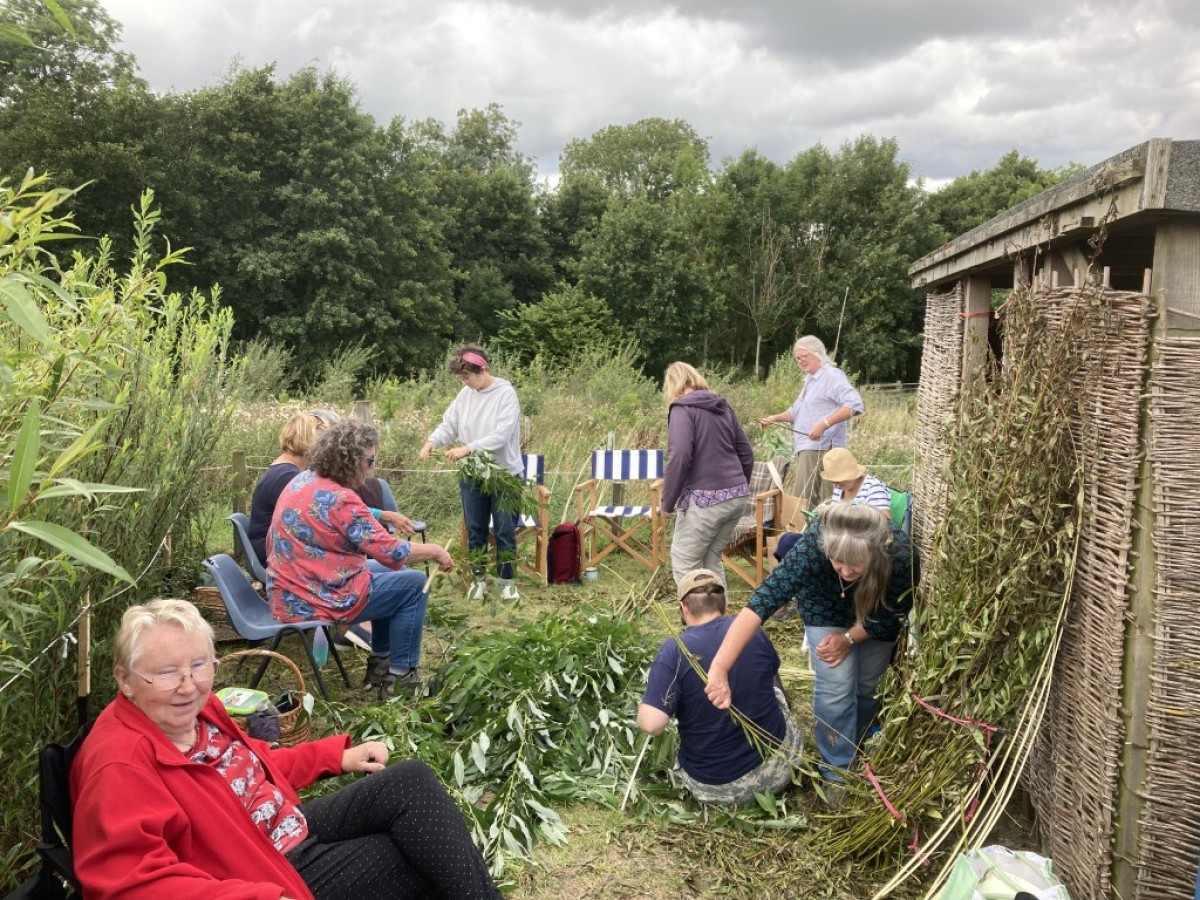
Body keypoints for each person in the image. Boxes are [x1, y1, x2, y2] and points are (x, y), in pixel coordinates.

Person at [71, 598, 500, 899]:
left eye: (200, 665)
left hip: (282, 823)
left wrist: (335, 757)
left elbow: (249, 768)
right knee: (417, 855)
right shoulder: (119, 764)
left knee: (410, 781)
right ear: (125, 679)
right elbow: (128, 885)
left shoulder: (197, 710)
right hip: (261, 869)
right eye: (166, 672)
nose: (189, 685)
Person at [704, 503, 919, 785]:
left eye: (856, 563)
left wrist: (849, 638)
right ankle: (837, 771)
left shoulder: (901, 556)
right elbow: (763, 600)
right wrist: (719, 667)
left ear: (876, 552)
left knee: (868, 685)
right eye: (837, 560)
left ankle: (857, 741)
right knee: (836, 686)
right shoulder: (812, 547)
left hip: (878, 613)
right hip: (824, 606)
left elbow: (893, 613)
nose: (845, 570)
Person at [269, 420, 455, 699]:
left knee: (394, 576)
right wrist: (435, 550)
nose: (372, 467)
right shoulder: (342, 498)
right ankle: (401, 678)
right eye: (370, 461)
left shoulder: (305, 480)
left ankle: (380, 663)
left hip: (292, 587)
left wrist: (383, 515)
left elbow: (357, 523)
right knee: (414, 584)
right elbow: (391, 552)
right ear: (351, 461)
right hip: (313, 597)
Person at [638, 570, 802, 806]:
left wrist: (643, 705)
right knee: (775, 692)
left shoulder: (673, 652)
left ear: (683, 609)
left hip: (718, 790)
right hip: (780, 769)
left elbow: (652, 725)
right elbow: (772, 674)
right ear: (725, 603)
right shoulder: (753, 631)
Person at [249, 410, 417, 571]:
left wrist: (382, 515)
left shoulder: (289, 471)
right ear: (311, 440)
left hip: (286, 550)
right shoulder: (289, 478)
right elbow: (332, 510)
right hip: (279, 557)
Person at [419, 346, 522, 602]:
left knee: (504, 529)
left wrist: (468, 448)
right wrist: (432, 441)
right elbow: (450, 424)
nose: (464, 382)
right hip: (472, 474)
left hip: (503, 474)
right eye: (461, 378)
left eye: (467, 377)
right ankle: (478, 580)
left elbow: (501, 435)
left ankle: (507, 582)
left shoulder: (505, 394)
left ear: (482, 369)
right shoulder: (465, 394)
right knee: (475, 528)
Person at [661, 362, 755, 587]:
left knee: (685, 561)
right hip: (737, 496)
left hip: (705, 499)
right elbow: (747, 454)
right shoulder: (722, 406)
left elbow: (680, 456)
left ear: (673, 384)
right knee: (711, 560)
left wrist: (667, 503)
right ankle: (718, 610)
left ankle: (694, 611)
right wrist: (736, 488)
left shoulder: (682, 409)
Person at [758, 336, 864, 511]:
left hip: (824, 447)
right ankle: (810, 528)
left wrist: (824, 424)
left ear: (818, 354)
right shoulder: (809, 381)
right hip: (808, 447)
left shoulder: (831, 375)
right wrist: (774, 418)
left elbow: (854, 405)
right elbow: (795, 412)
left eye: (804, 356)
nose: (800, 361)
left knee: (815, 500)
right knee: (806, 501)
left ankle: (822, 527)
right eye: (797, 358)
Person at [820, 447, 892, 520]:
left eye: (839, 480)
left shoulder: (873, 488)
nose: (836, 484)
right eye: (833, 481)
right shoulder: (839, 488)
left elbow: (885, 521)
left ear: (852, 473)